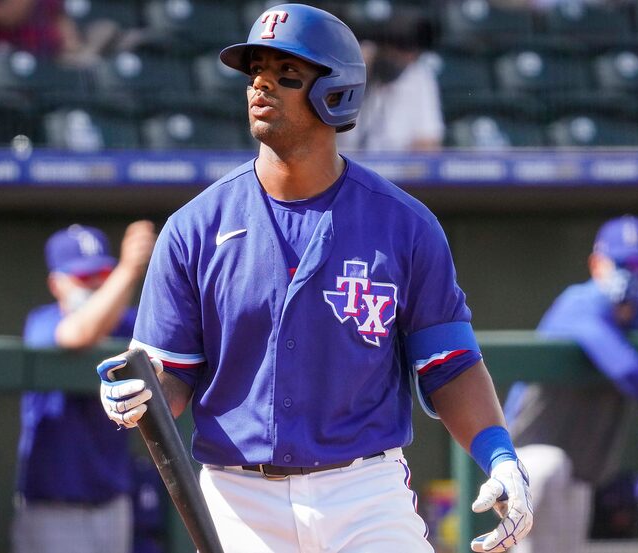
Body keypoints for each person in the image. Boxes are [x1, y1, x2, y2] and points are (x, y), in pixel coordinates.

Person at [96, 5, 532, 553]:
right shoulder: (194, 227)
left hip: (364, 491)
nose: (261, 85)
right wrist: (142, 391)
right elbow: (172, 373)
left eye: (287, 75)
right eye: (255, 72)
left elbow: (449, 366)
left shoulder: (405, 225)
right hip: (239, 497)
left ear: (337, 93)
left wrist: (501, 456)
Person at [503, 215, 638, 553]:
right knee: (550, 465)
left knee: (569, 485)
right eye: (620, 262)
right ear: (596, 264)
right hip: (520, 464)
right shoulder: (579, 301)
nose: (630, 272)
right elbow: (626, 368)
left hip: (578, 475)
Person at [13, 221, 155, 553]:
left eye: (101, 273)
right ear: (55, 284)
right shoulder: (43, 320)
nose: (93, 283)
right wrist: (128, 270)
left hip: (112, 499)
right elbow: (77, 335)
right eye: (81, 276)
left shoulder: (126, 323)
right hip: (52, 503)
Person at [336, 15, 444, 152]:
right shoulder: (351, 65)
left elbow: (429, 143)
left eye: (409, 54)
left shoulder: (418, 75)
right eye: (395, 51)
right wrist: (358, 73)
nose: (400, 60)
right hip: (344, 164)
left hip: (397, 170)